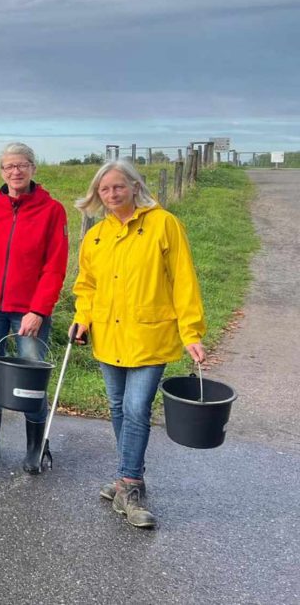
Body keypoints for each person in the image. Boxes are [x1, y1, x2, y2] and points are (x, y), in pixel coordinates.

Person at [72, 160, 207, 530]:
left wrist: (191, 331)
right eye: (105, 189)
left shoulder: (164, 224)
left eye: (118, 187)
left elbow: (183, 280)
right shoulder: (96, 235)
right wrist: (82, 317)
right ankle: (127, 477)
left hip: (150, 334)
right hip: (108, 335)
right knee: (117, 407)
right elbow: (86, 285)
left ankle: (129, 485)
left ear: (134, 186)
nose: (112, 194)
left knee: (135, 408)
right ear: (97, 195)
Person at [0, 143, 68, 473]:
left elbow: (55, 266)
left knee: (30, 375)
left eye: (22, 165)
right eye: (9, 166)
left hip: (29, 311)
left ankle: (35, 445)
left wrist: (39, 310)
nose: (16, 171)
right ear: (1, 171)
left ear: (33, 168)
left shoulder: (52, 210)